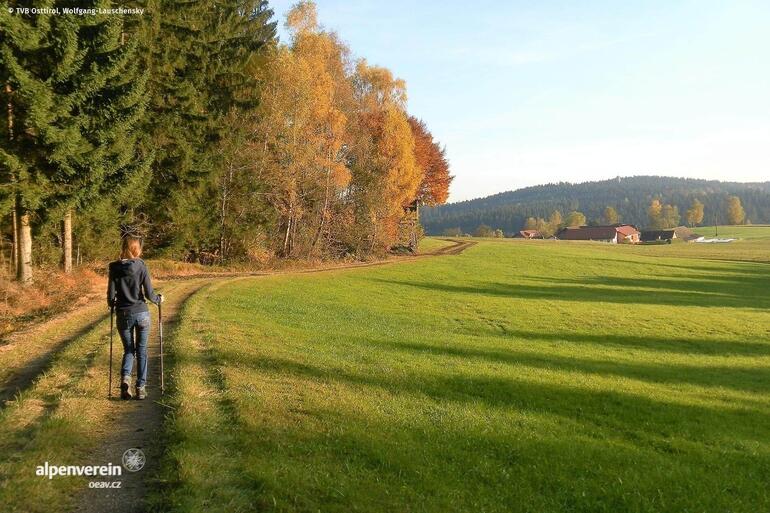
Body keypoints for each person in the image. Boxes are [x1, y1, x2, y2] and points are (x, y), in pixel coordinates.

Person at [107, 235, 162, 400]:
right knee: (142, 351)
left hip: (123, 314)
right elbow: (149, 293)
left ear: (123, 248)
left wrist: (112, 304)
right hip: (142, 313)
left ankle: (125, 379)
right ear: (136, 249)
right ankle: (141, 388)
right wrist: (159, 299)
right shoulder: (141, 266)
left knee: (129, 350)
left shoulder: (114, 267)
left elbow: (110, 295)